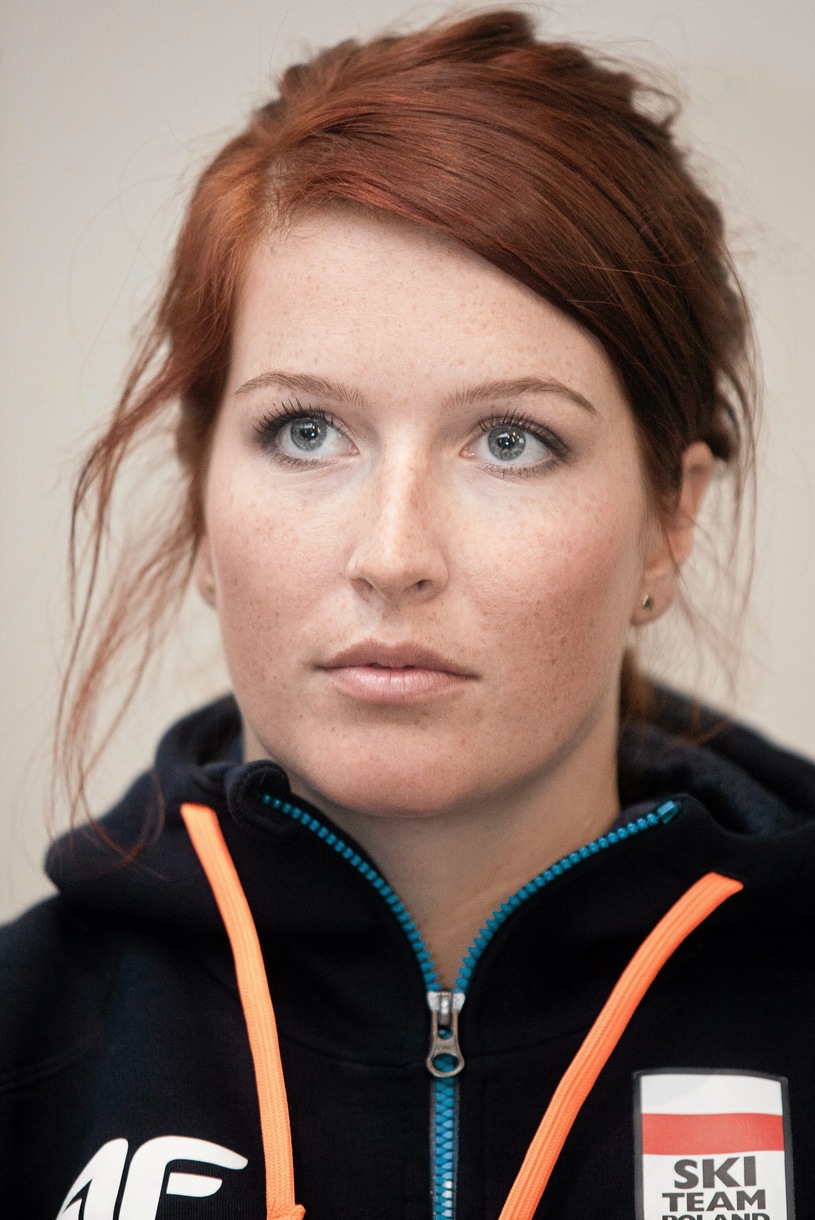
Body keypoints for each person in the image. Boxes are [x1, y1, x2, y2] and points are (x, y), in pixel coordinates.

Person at [1, 8, 813, 1219]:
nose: (392, 556)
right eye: (305, 431)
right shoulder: (24, 1042)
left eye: (510, 440)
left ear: (667, 517)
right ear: (202, 493)